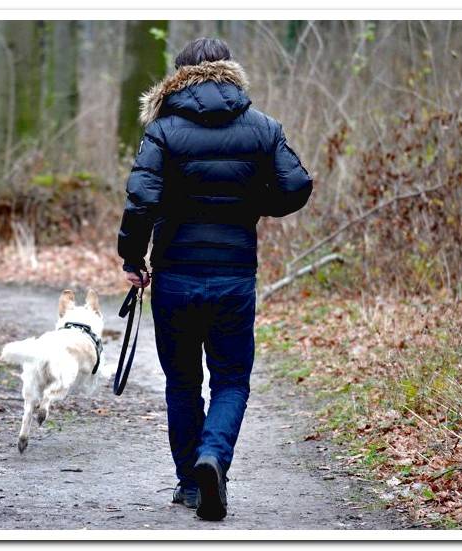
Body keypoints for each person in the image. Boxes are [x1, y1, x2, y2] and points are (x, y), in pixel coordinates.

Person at [117, 37, 313, 521]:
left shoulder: (162, 131)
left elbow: (141, 199)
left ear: (178, 76)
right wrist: (250, 204)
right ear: (231, 72)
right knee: (231, 379)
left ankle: (190, 483)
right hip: (233, 277)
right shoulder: (263, 128)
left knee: (182, 381)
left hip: (176, 278)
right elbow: (296, 185)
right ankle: (214, 457)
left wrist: (131, 257)